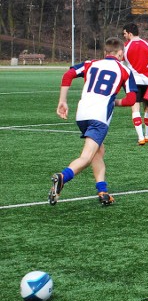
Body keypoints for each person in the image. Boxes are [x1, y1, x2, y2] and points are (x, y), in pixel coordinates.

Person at [49, 37, 138, 206]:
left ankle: (102, 191)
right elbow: (131, 99)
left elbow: (68, 74)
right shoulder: (125, 70)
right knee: (86, 157)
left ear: (105, 53)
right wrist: (114, 101)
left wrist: (63, 100)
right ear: (120, 53)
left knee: (99, 151)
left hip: (82, 115)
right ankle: (62, 177)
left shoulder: (91, 63)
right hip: (99, 118)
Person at [122, 23, 148, 145]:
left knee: (135, 108)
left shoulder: (125, 47)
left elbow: (121, 65)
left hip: (133, 81)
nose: (124, 36)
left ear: (130, 33)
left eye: (125, 34)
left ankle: (140, 137)